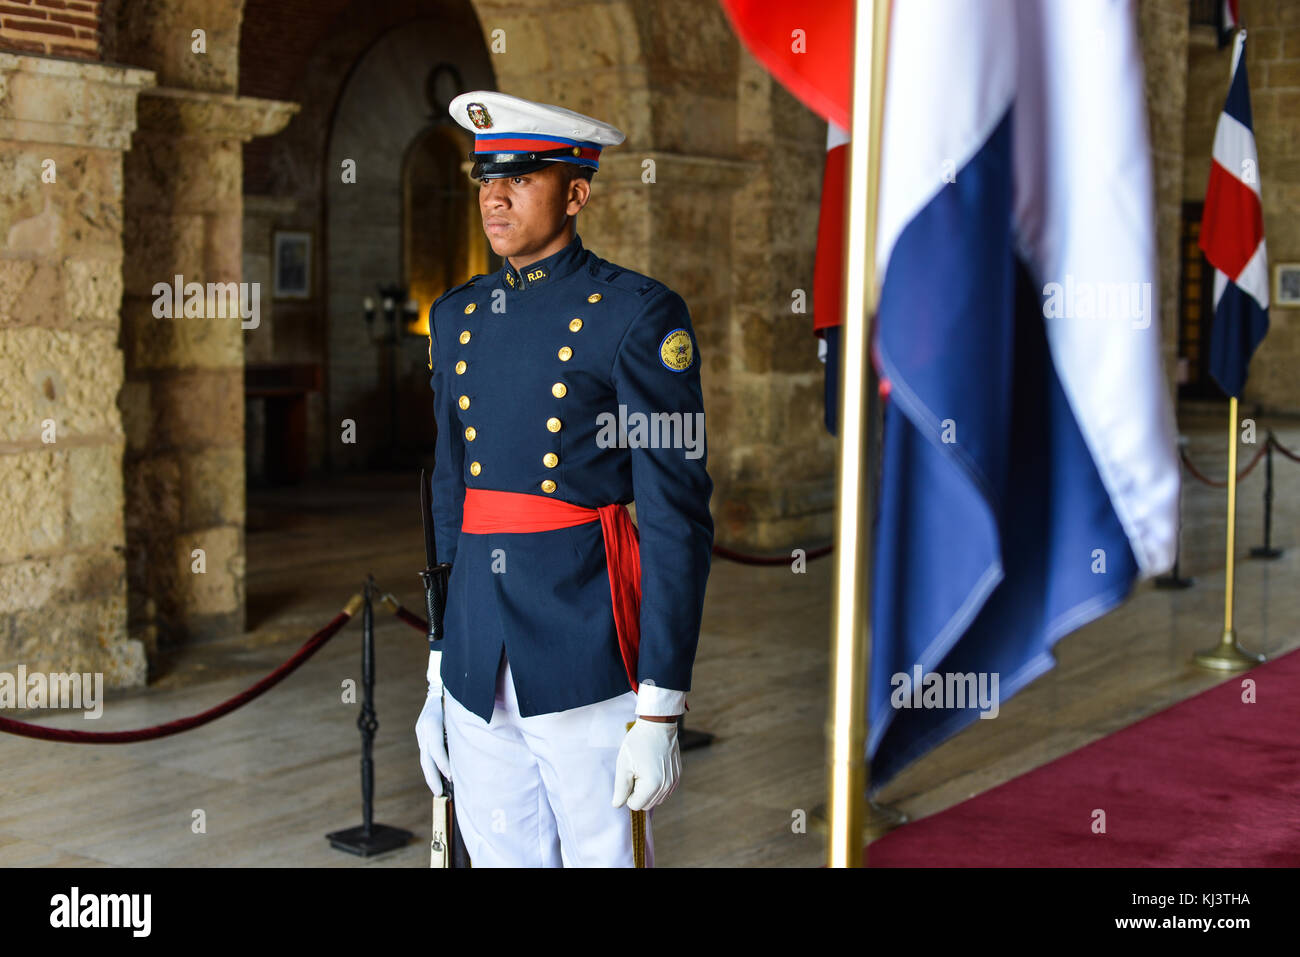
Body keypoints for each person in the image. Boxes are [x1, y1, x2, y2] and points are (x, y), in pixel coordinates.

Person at [414, 90, 714, 867]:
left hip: (585, 637)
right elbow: (451, 492)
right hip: (478, 647)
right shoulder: (456, 316)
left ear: (576, 192)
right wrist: (440, 660)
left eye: (521, 177)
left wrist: (661, 706)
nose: (496, 196)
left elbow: (676, 515)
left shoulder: (638, 316)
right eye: (485, 179)